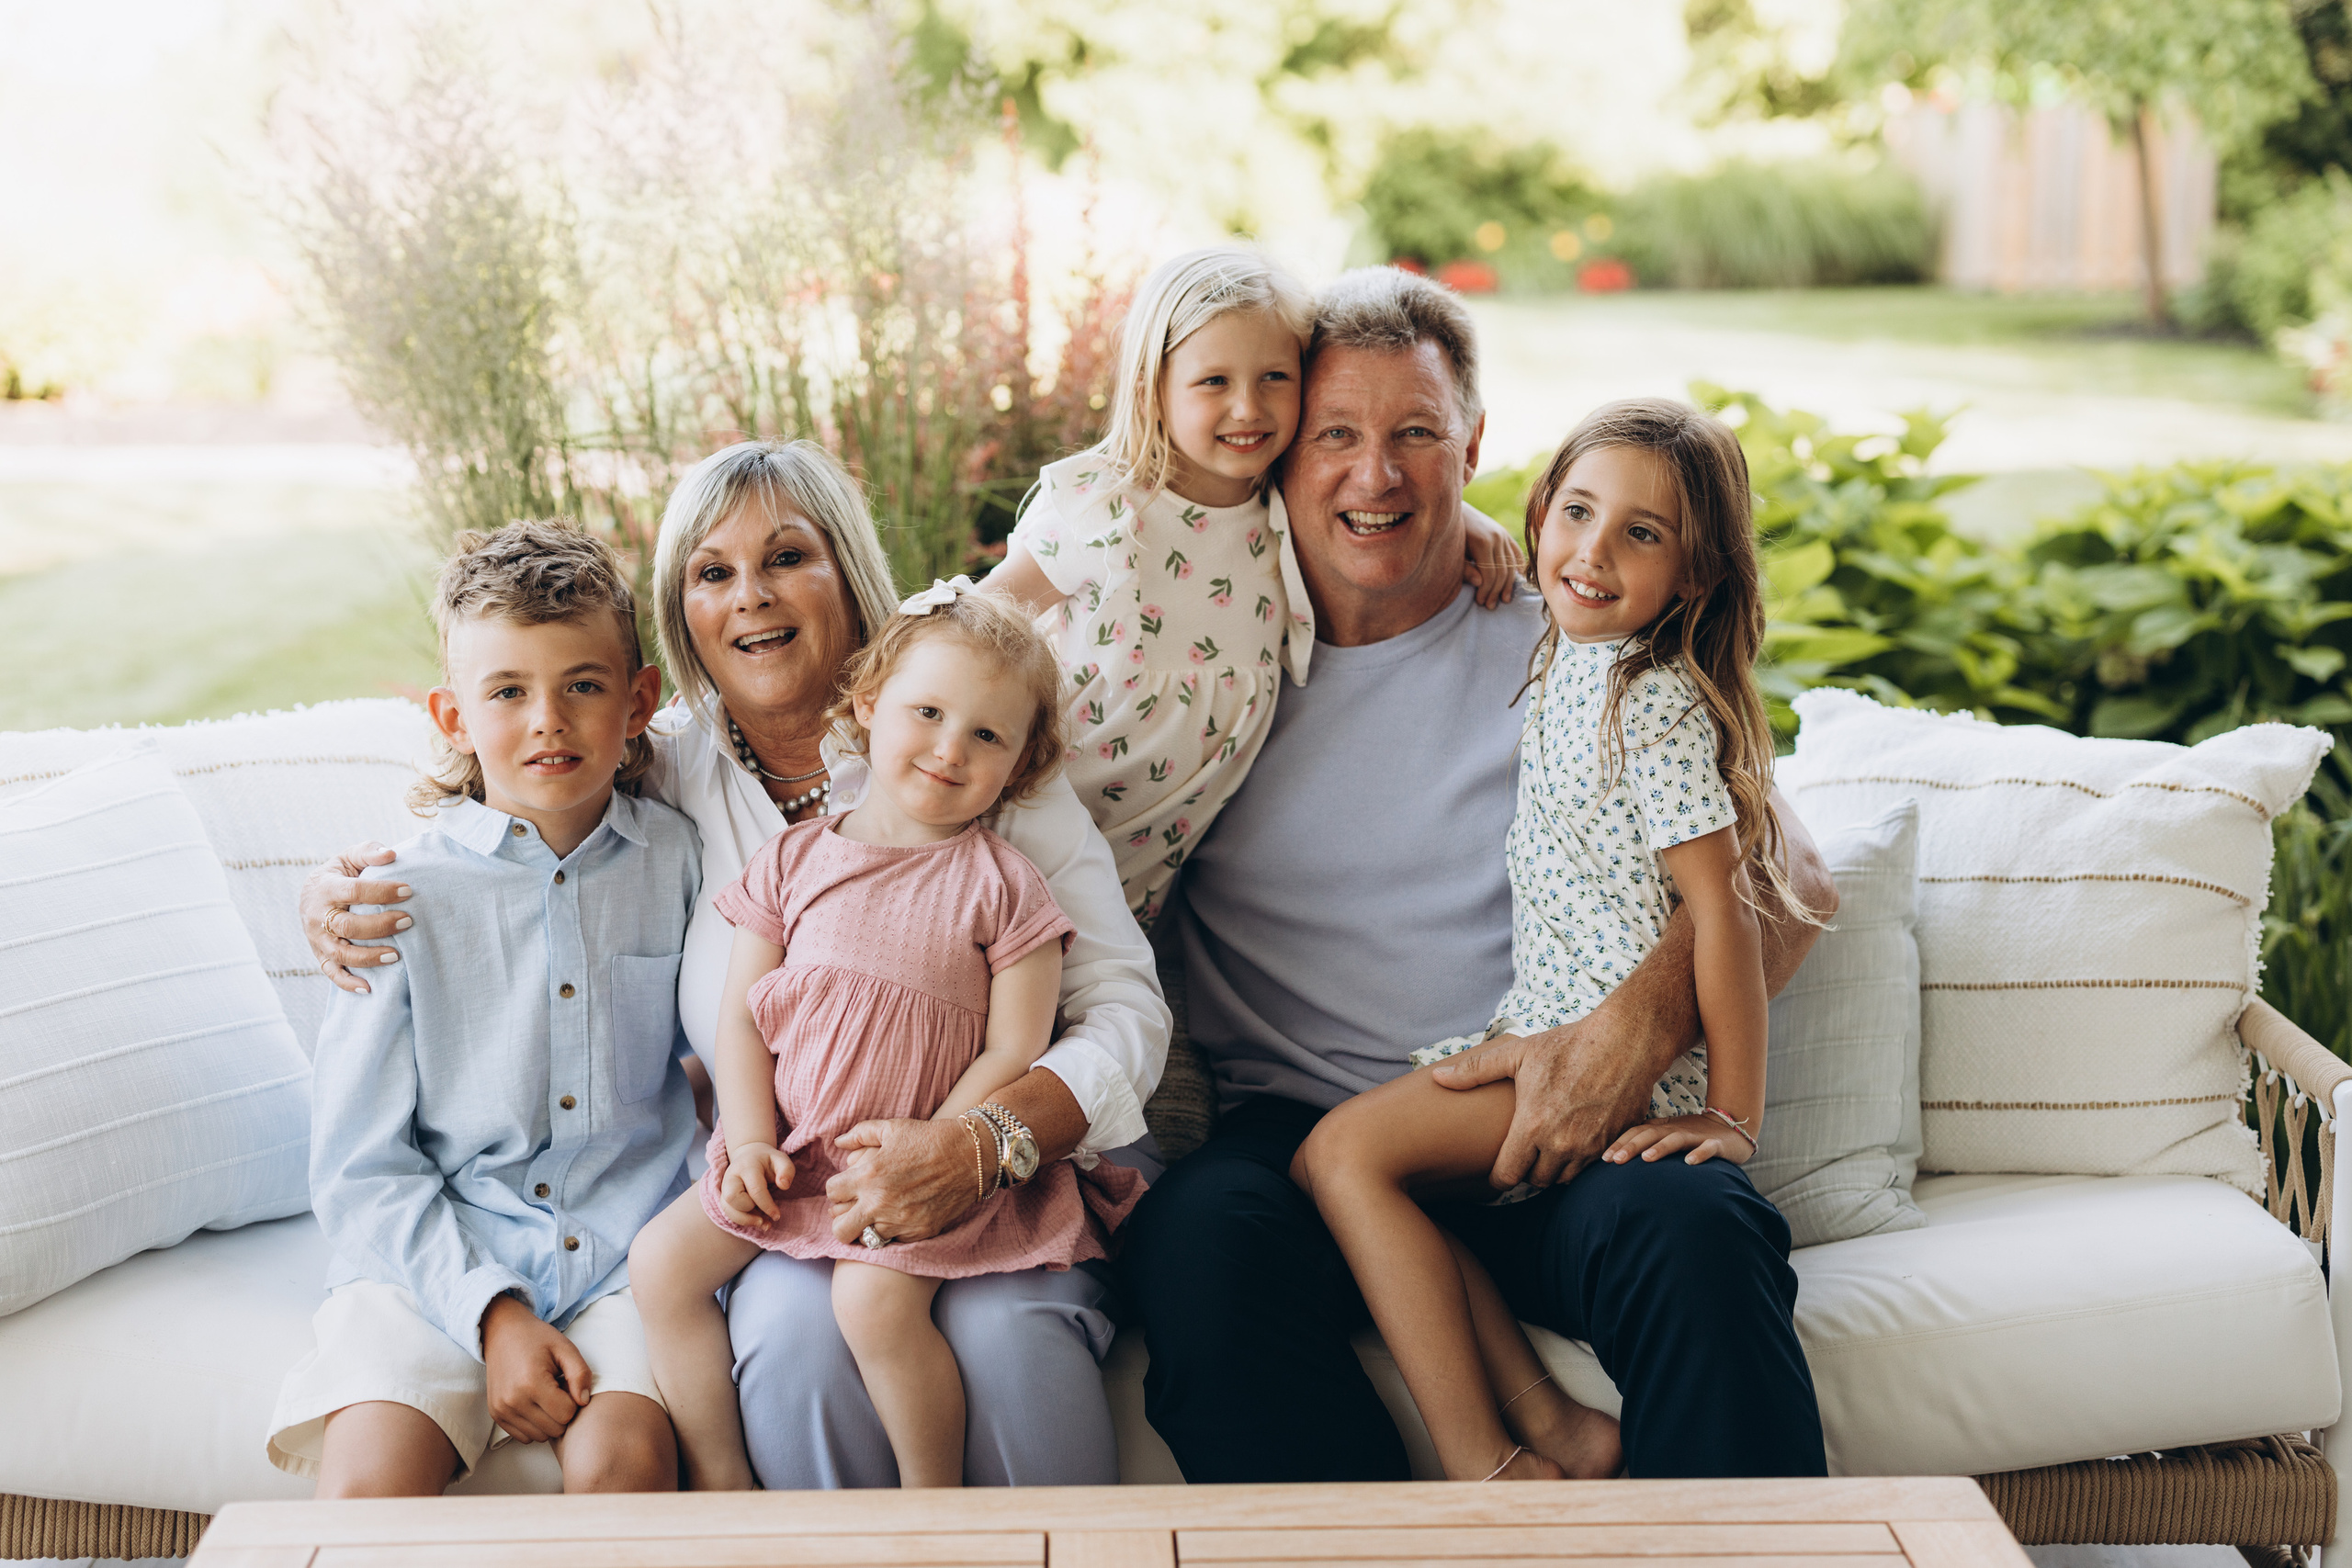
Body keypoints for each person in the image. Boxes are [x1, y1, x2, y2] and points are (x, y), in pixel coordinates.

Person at [301, 439, 1168, 1488]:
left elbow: (1125, 1008)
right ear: (684, 614)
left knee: (1005, 1338)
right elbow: (507, 799)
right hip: (788, 1177)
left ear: (849, 572)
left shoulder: (962, 743)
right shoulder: (656, 766)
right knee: (794, 1343)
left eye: (787, 557)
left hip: (999, 1167)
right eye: (714, 571)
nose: (751, 595)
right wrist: (335, 892)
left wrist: (979, 1144)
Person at [1122, 267, 1838, 1483]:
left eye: (1416, 434)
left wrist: (1627, 1031)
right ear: (1281, 448)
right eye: (1335, 436)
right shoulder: (1204, 671)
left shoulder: (1569, 632)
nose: (1376, 477)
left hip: (1549, 1117)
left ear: (1474, 446)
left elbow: (1794, 876)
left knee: (1698, 1228)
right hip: (1304, 1137)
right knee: (1197, 1247)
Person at [1290, 399, 1822, 1483]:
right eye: (1576, 513)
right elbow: (1542, 551)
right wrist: (1487, 530)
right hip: (1532, 1032)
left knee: (1340, 1156)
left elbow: (1723, 909)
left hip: (1607, 1070)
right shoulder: (1572, 651)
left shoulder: (1654, 702)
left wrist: (1733, 1113)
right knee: (1382, 1184)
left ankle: (1488, 1464)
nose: (1592, 551)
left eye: (1642, 533)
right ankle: (1564, 1430)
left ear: (1696, 576)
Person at [630, 584, 1141, 1491]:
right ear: (867, 705)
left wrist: (934, 1148)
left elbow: (1013, 1049)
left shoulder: (1006, 886)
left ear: (1022, 764)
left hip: (924, 1165)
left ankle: (926, 1504)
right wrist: (746, 1140)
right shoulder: (792, 860)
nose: (949, 749)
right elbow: (742, 1020)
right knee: (660, 1262)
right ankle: (723, 1487)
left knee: (871, 1300)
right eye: (928, 713)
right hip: (794, 1154)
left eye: (987, 735)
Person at [266, 521, 696, 1497]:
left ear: (639, 701)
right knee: (372, 1488)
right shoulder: (393, 902)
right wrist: (493, 1315)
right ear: (452, 716)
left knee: (627, 1471)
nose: (549, 720)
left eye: (582, 685)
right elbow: (361, 1166)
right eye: (507, 692)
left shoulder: (681, 861)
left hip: (621, 1259)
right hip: (435, 1257)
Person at [986, 244, 1524, 927]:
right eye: (1214, 381)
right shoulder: (1106, 514)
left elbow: (1373, 486)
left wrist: (1453, 511)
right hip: (1017, 842)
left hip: (1121, 900)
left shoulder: (1264, 513)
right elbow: (975, 625)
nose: (1247, 407)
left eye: (1274, 378)